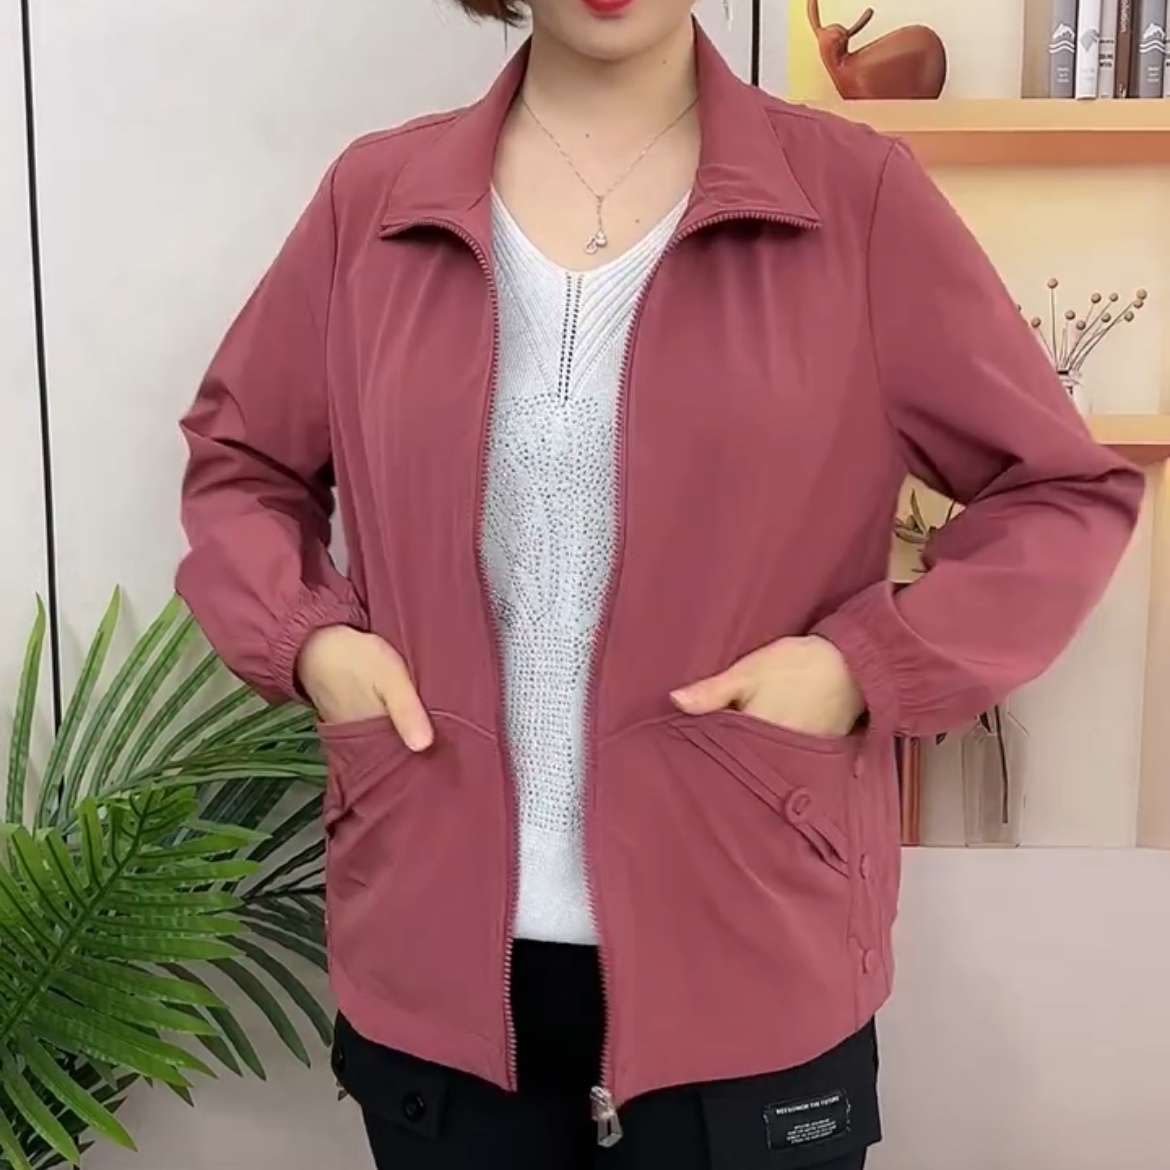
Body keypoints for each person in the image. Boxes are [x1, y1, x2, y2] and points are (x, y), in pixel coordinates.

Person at [175, 0, 1144, 1166]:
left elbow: (1060, 494)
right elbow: (241, 464)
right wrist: (313, 641)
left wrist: (860, 667)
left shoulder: (854, 199)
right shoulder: (373, 204)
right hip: (434, 953)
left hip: (751, 943)